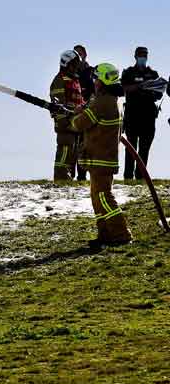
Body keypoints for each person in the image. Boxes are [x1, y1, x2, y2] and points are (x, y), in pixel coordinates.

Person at [71, 63, 133, 249]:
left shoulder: (102, 102)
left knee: (104, 198)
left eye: (96, 78)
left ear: (103, 81)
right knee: (97, 199)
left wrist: (75, 115)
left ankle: (121, 234)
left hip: (100, 159)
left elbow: (79, 124)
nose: (94, 81)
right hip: (100, 158)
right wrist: (83, 110)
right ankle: (105, 234)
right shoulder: (110, 100)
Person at [122, 47, 161, 179]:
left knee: (144, 149)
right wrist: (139, 86)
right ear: (135, 56)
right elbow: (124, 88)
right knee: (131, 148)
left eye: (145, 55)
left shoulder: (153, 74)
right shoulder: (128, 73)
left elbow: (158, 94)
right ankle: (128, 176)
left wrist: (152, 89)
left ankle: (140, 177)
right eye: (140, 55)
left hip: (148, 116)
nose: (142, 57)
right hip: (132, 116)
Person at [50, 49, 86, 181]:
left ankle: (68, 177)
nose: (75, 67)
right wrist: (65, 121)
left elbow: (78, 100)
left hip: (75, 124)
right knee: (65, 152)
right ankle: (60, 178)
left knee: (73, 152)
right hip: (65, 124)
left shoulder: (74, 80)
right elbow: (58, 104)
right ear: (66, 63)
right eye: (73, 64)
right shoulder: (60, 80)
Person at [73, 45, 95, 181]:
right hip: (73, 113)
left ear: (85, 54)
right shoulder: (71, 73)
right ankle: (71, 175)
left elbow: (95, 92)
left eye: (80, 54)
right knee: (73, 146)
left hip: (87, 114)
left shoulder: (91, 72)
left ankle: (82, 175)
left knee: (85, 145)